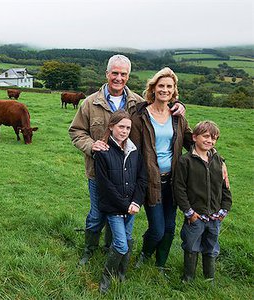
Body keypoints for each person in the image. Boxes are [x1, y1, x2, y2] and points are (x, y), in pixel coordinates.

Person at [69, 55, 185, 266]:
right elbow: (76, 131)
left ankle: (111, 249)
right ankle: (89, 249)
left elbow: (162, 106)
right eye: (115, 73)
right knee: (97, 215)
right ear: (107, 74)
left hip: (128, 175)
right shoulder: (90, 103)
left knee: (122, 214)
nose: (118, 78)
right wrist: (90, 146)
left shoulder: (138, 104)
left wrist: (178, 105)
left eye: (123, 74)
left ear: (128, 76)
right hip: (98, 172)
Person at [130, 67, 193, 274]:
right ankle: (145, 254)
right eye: (161, 86)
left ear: (174, 91)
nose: (165, 90)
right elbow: (134, 150)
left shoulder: (178, 117)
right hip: (151, 181)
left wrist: (217, 161)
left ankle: (160, 264)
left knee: (169, 228)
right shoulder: (141, 117)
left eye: (169, 86)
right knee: (157, 229)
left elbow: (191, 142)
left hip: (174, 181)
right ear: (153, 89)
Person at [93, 111, 147, 293]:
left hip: (132, 207)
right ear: (111, 127)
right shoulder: (103, 152)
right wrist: (125, 205)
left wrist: (137, 202)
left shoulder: (134, 151)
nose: (124, 131)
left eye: (128, 128)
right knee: (121, 244)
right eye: (121, 127)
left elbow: (142, 178)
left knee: (128, 238)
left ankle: (121, 273)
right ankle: (106, 277)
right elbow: (104, 185)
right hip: (115, 208)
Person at [174, 121, 232, 282]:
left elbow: (225, 186)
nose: (210, 141)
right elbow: (179, 189)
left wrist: (224, 209)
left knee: (211, 246)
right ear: (194, 137)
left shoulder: (218, 160)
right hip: (195, 216)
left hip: (215, 216)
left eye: (214, 138)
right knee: (191, 246)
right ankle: (188, 278)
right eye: (206, 136)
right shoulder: (185, 161)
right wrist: (189, 212)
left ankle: (209, 278)